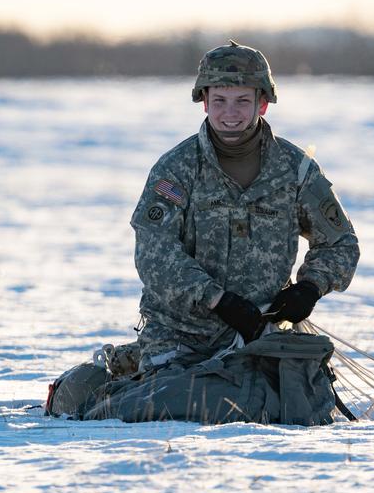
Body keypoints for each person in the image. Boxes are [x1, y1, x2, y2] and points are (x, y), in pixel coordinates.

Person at [129, 40, 360, 372]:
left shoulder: (296, 169)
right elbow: (154, 252)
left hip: (261, 335)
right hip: (180, 338)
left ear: (262, 104)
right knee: (185, 404)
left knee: (296, 407)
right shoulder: (176, 169)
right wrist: (216, 300)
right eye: (220, 101)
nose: (230, 113)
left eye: (242, 101)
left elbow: (340, 242)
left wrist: (310, 287)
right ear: (204, 102)